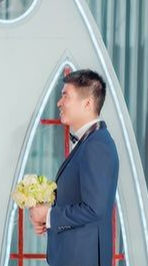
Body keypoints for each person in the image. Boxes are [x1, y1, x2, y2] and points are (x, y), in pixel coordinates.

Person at [29, 69, 119, 266]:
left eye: (65, 96)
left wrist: (49, 215)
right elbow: (78, 199)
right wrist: (47, 214)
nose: (59, 103)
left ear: (87, 104)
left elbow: (94, 208)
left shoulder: (97, 145)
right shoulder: (91, 142)